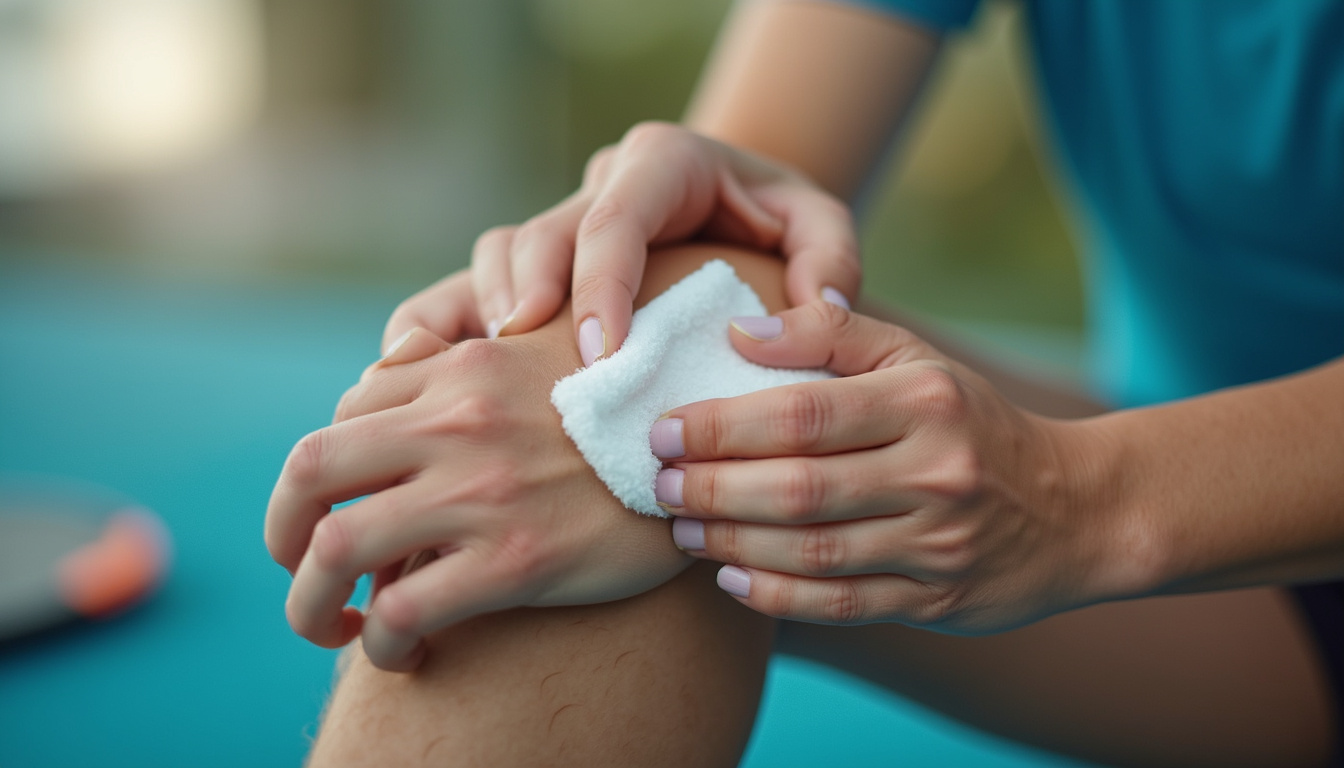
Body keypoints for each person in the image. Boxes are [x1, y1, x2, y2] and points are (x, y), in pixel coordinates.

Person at [265, 1, 1343, 765]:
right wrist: (645, 260)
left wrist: (1072, 498)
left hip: (1252, 519)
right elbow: (757, 193)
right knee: (667, 379)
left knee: (657, 457)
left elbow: (1077, 495)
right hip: (1166, 445)